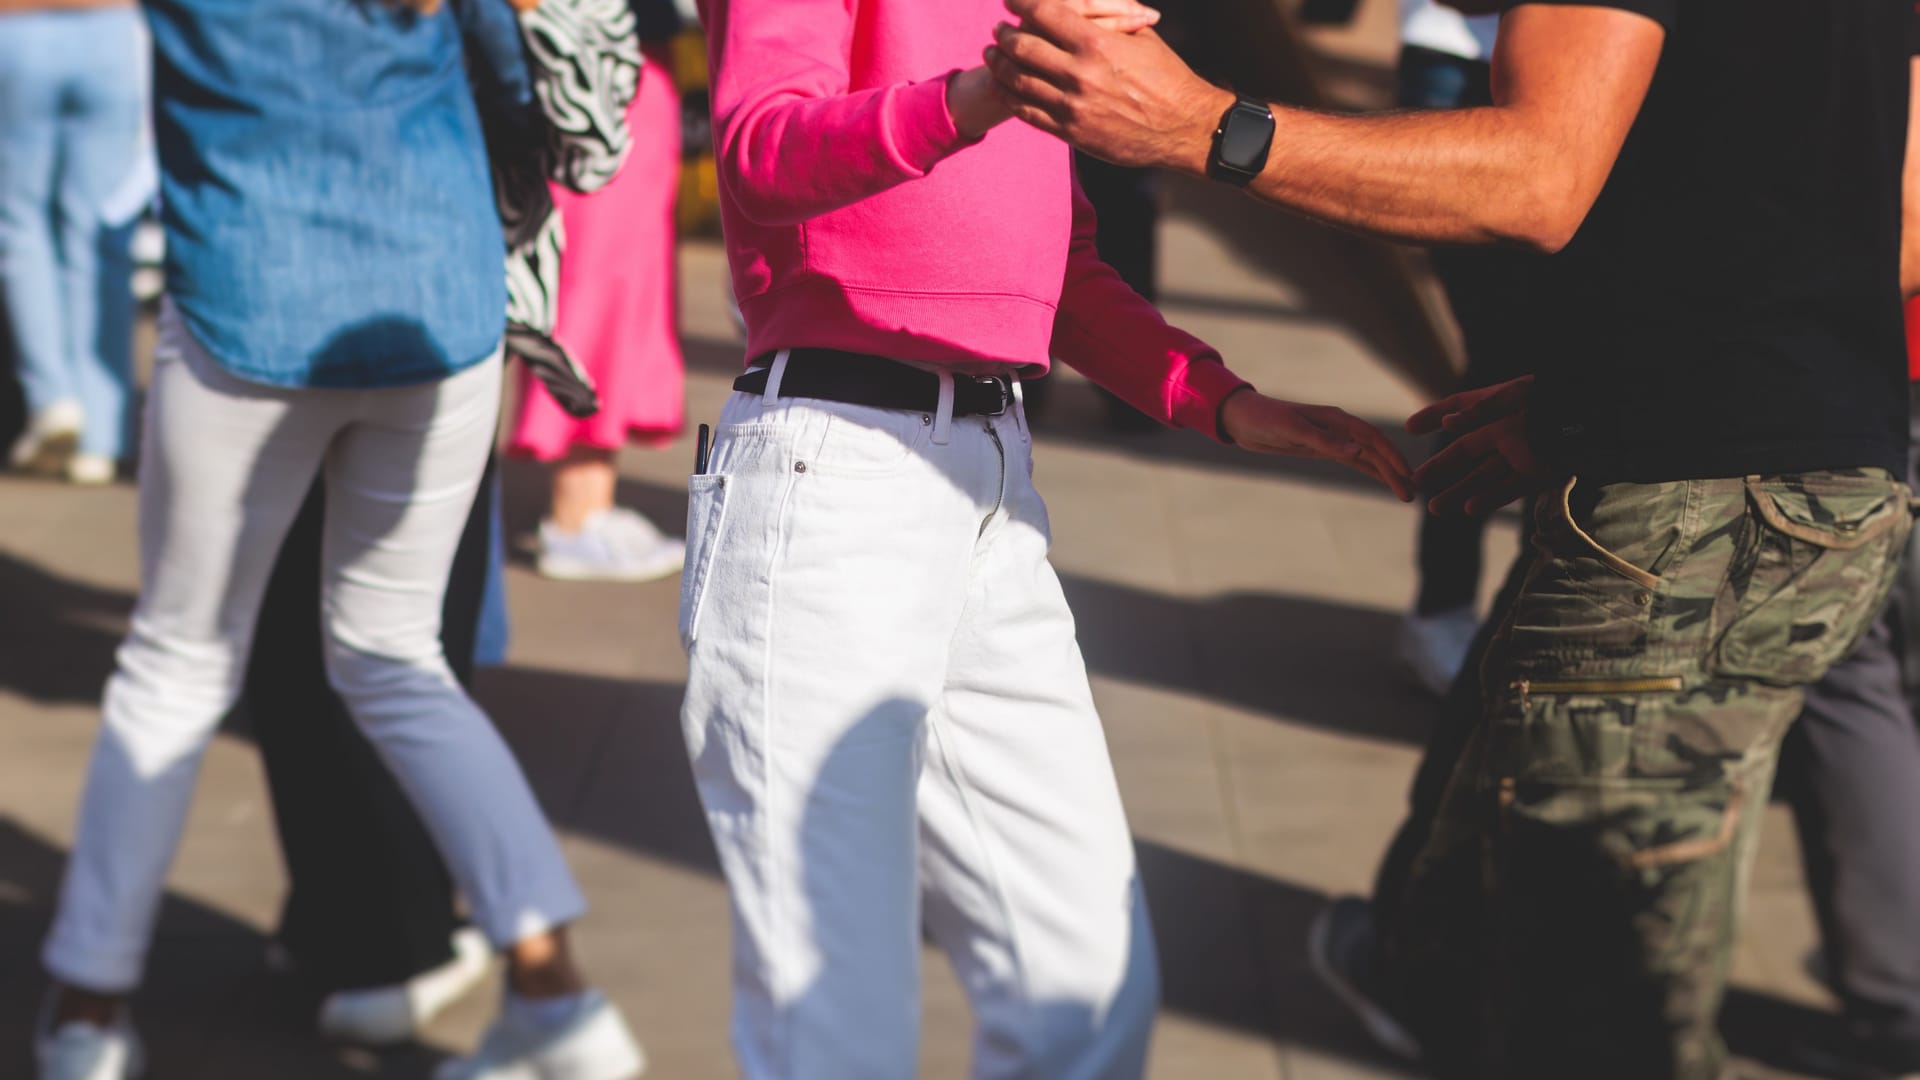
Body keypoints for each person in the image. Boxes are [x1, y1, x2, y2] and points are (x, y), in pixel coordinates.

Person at [989, 2, 1917, 1078]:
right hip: (1824, 487)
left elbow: (1538, 177)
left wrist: (1203, 124)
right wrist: (1640, 385)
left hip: (1696, 518)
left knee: (1592, 1015)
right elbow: (1894, 227)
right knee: (1474, 919)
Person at [683, 1, 1413, 1076]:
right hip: (828, 472)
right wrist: (978, 95)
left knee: (1087, 992)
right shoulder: (1000, 48)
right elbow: (758, 150)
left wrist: (1218, 398)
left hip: (988, 483)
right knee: (834, 1026)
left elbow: (1056, 266)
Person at [33, 3, 645, 1079]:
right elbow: (514, 68)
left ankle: (87, 1014)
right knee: (399, 661)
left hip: (251, 293)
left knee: (177, 661)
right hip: (434, 292)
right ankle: (558, 996)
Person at [245, 0, 644, 1046]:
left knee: (303, 641)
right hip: (427, 283)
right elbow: (569, 115)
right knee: (392, 647)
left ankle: (396, 936)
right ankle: (433, 946)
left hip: (282, 280)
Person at [508, 0, 689, 584]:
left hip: (608, 61)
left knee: (622, 284)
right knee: (597, 283)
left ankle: (589, 497)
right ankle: (577, 508)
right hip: (588, 66)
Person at [1389, 0, 1535, 697]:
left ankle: (1516, 606)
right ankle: (1440, 610)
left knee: (1545, 360)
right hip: (1455, 59)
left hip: (1582, 77)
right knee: (1497, 357)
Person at [0, 0, 147, 485]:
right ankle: (103, 436)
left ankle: (53, 399)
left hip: (17, 29)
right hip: (109, 31)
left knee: (20, 228)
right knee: (102, 235)